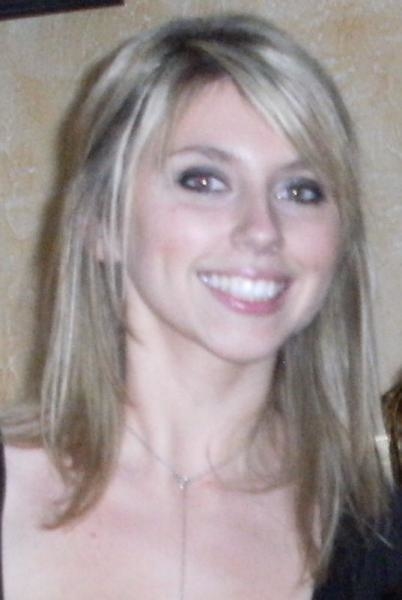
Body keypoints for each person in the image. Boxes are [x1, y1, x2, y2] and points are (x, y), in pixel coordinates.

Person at [1, 12, 401, 600]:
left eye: (302, 190)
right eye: (204, 180)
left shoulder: (379, 538)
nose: (262, 229)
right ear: (100, 222)